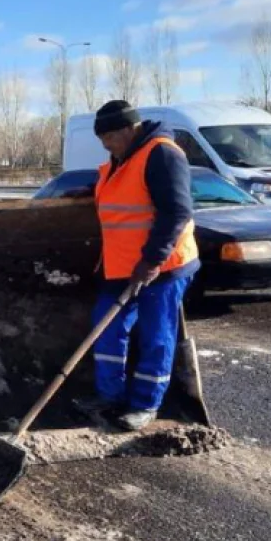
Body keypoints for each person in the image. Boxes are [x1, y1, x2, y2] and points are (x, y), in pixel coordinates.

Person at [84, 100, 199, 431]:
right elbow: (121, 200)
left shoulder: (162, 154)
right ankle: (110, 395)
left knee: (156, 334)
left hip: (160, 267)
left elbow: (177, 212)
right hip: (121, 267)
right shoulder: (121, 159)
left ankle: (146, 405)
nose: (105, 144)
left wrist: (151, 261)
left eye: (109, 137)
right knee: (106, 326)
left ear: (128, 129)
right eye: (101, 138)